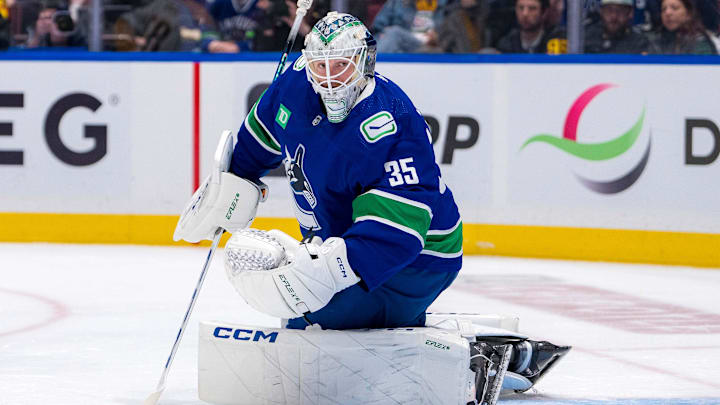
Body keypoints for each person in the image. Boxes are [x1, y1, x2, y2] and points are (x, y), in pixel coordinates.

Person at [174, 12, 569, 404]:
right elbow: (260, 133)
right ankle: (441, 339)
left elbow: (395, 237)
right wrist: (235, 180)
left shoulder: (390, 123)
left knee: (316, 325)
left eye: (341, 66)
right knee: (310, 319)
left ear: (365, 63)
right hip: (348, 242)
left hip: (419, 259)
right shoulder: (296, 83)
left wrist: (323, 271)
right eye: (320, 66)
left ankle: (474, 362)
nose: (328, 78)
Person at [371, 0, 450, 53]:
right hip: (400, 45)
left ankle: (371, 66)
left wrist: (438, 37)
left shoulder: (446, 4)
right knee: (393, 34)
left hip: (430, 47)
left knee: (395, 33)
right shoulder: (396, 2)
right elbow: (377, 28)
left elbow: (453, 30)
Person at [649, 0, 718, 54]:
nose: (667, 13)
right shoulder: (655, 41)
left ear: (688, 14)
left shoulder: (700, 41)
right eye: (663, 9)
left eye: (674, 8)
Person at [584, 0, 653, 54]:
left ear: (630, 13)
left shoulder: (640, 43)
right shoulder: (586, 38)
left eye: (620, 11)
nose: (614, 16)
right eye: (609, 10)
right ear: (601, 11)